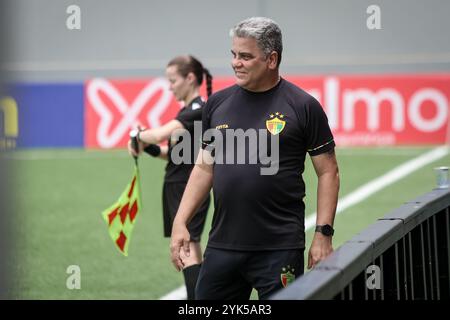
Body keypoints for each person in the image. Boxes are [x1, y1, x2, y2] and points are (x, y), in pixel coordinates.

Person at [170, 17, 340, 300]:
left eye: (246, 56)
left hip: (279, 249)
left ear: (271, 59)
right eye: (234, 55)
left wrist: (323, 234)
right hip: (223, 246)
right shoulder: (217, 104)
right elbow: (204, 167)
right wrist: (180, 221)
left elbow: (328, 173)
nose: (236, 62)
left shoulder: (303, 106)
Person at [128, 55, 212, 300]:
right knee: (192, 246)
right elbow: (175, 155)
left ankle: (197, 303)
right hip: (182, 184)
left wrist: (138, 135)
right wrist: (148, 147)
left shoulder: (196, 110)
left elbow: (160, 134)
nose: (170, 86)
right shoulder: (189, 110)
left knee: (186, 248)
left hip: (187, 187)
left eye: (173, 80)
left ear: (190, 78)